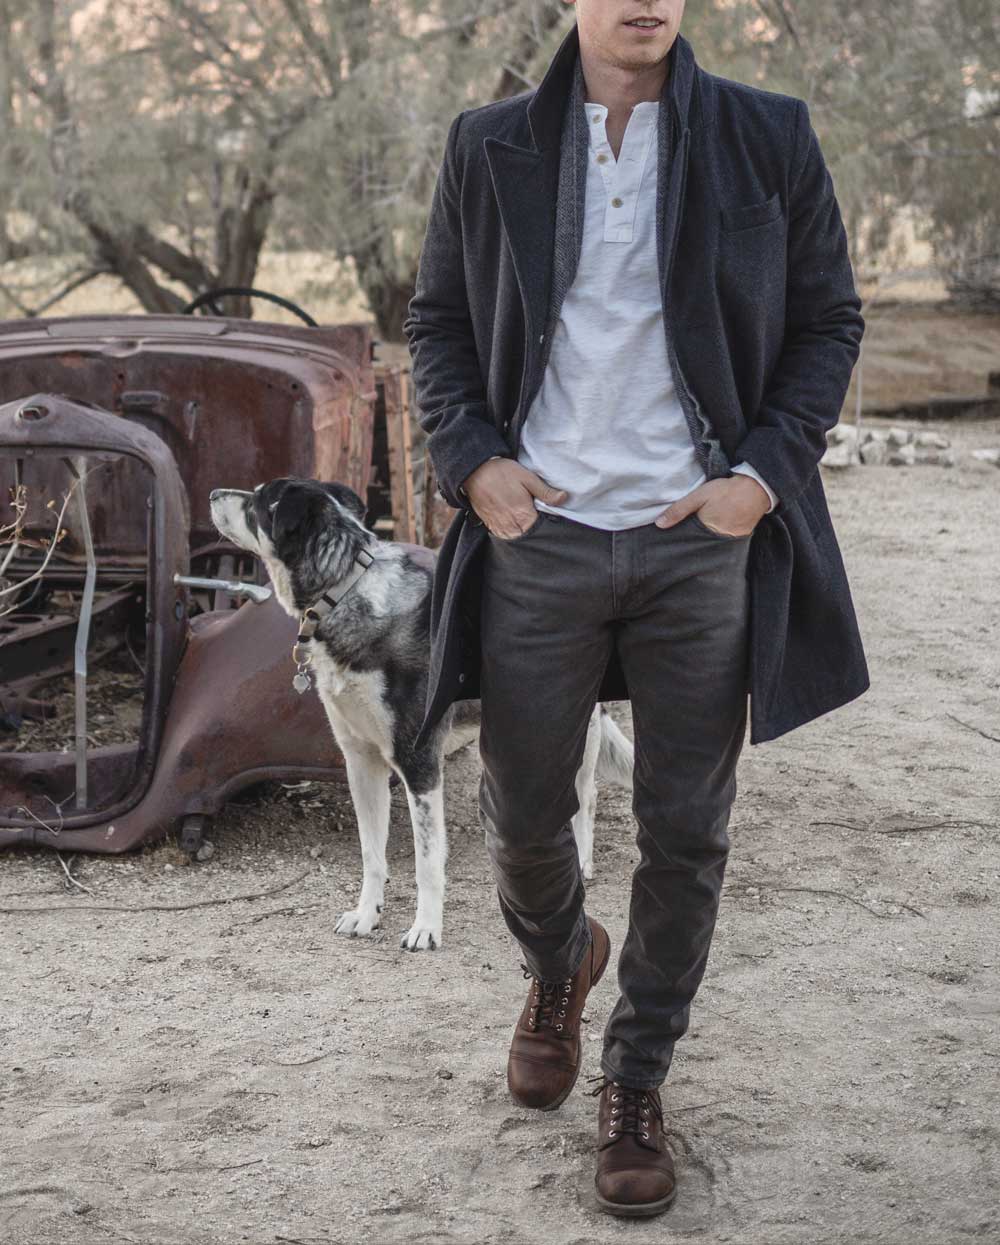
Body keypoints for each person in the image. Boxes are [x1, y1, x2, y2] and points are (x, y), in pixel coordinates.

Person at [403, 0, 867, 1218]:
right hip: (536, 537)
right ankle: (562, 963)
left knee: (686, 831)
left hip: (695, 545)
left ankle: (635, 1078)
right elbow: (439, 324)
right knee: (518, 808)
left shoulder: (767, 135)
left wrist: (757, 479)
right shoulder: (488, 139)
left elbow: (828, 321)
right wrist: (472, 463)